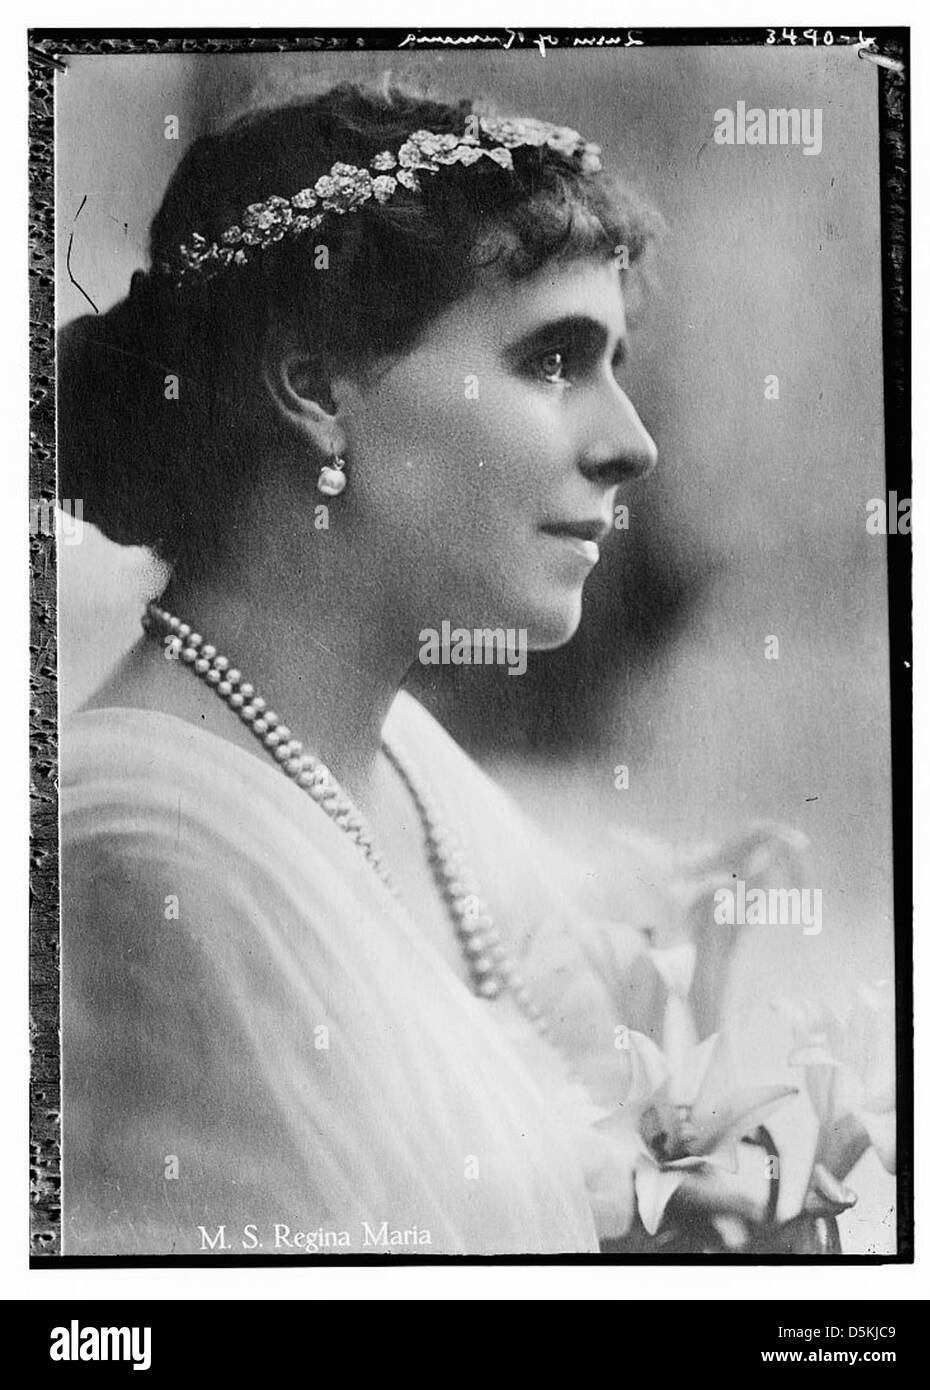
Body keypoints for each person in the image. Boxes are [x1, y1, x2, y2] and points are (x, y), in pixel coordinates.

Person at [58, 79, 680, 1256]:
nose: (629, 443)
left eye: (615, 362)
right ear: (315, 388)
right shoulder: (142, 864)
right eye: (553, 358)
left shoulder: (408, 767)